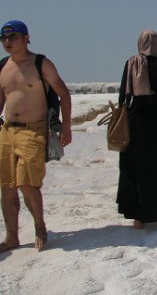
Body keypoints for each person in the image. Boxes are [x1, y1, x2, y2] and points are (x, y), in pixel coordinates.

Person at [0, 20, 72, 252]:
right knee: (7, 186)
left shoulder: (41, 63)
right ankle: (12, 237)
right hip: (7, 130)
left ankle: (39, 226)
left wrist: (66, 126)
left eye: (13, 37)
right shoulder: (3, 66)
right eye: (4, 38)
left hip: (33, 130)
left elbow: (63, 93)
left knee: (28, 183)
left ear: (26, 38)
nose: (7, 42)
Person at [117, 29, 157, 229]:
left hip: (139, 122)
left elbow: (123, 97)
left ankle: (139, 216)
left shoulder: (133, 62)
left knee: (136, 166)